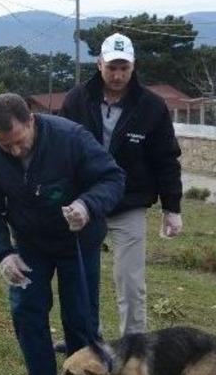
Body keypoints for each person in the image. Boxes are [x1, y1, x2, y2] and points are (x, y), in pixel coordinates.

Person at [0, 93, 125, 375]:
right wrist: (3, 253)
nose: (13, 150)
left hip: (77, 242)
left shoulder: (71, 138)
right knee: (27, 312)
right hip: (29, 245)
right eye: (4, 144)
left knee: (80, 318)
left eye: (18, 141)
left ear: (31, 121)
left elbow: (112, 178)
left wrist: (87, 205)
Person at [59, 32, 183, 339]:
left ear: (133, 67)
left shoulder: (152, 107)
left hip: (129, 203)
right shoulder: (77, 99)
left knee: (130, 280)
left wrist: (172, 208)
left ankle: (134, 346)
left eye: (124, 68)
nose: (117, 75)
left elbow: (166, 158)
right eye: (111, 67)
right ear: (99, 64)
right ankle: (89, 340)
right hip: (85, 204)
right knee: (82, 277)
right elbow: (60, 149)